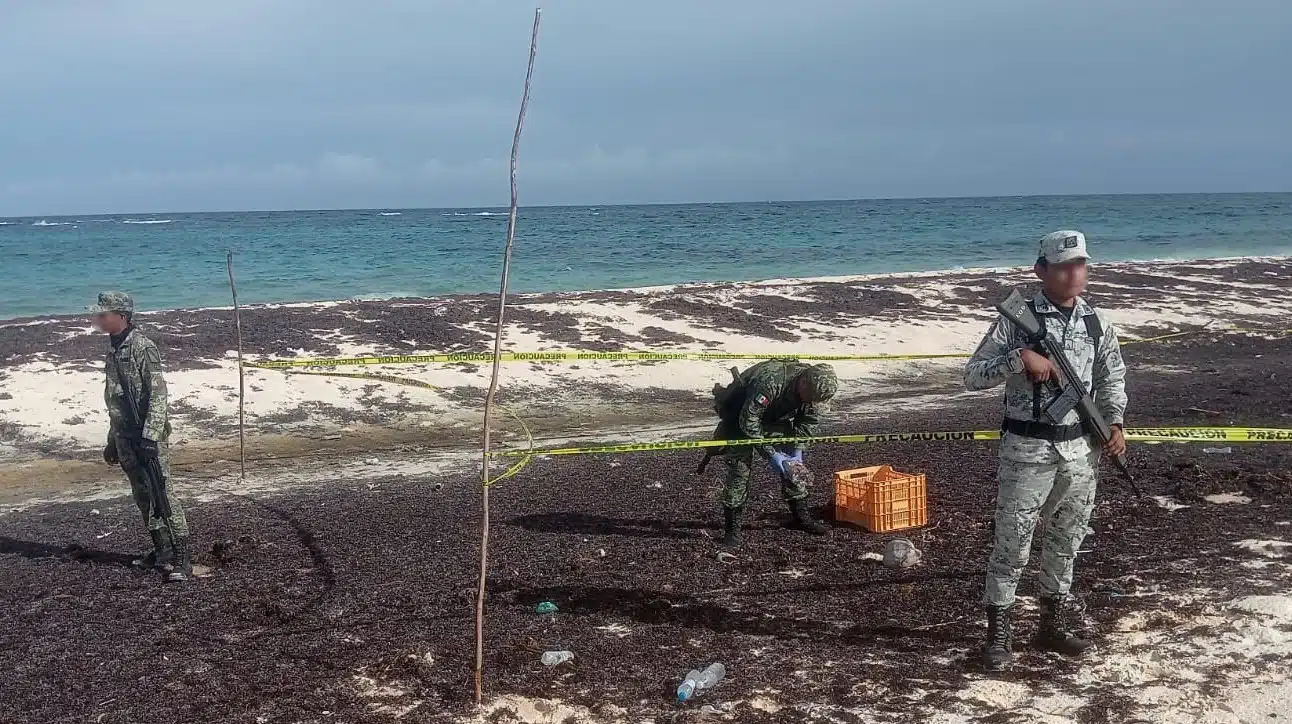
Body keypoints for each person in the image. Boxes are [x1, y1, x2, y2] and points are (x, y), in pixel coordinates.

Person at [964, 230, 1127, 671]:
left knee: (1066, 540)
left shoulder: (1097, 322)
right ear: (1042, 270)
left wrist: (1114, 423)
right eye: (1064, 265)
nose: (1075, 272)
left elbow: (1112, 379)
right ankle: (999, 630)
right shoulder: (1017, 321)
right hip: (1027, 451)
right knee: (1013, 542)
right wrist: (1019, 358)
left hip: (1081, 452)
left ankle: (1050, 623)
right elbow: (972, 375)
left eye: (1081, 263)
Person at [90, 291, 193, 583]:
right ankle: (161, 551)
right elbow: (117, 400)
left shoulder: (142, 347)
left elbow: (158, 395)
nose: (98, 318)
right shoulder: (114, 348)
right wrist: (112, 440)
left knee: (163, 494)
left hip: (147, 436)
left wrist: (150, 437)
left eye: (104, 313)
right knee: (142, 496)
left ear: (121, 316)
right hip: (125, 437)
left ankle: (182, 556)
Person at [709, 360, 838, 547]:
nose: (810, 401)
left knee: (794, 468)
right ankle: (732, 530)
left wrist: (797, 450)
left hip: (774, 418)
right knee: (740, 472)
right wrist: (771, 455)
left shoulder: (815, 390)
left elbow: (809, 420)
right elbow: (749, 421)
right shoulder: (771, 381)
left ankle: (801, 517)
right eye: (809, 397)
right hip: (739, 419)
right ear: (803, 383)